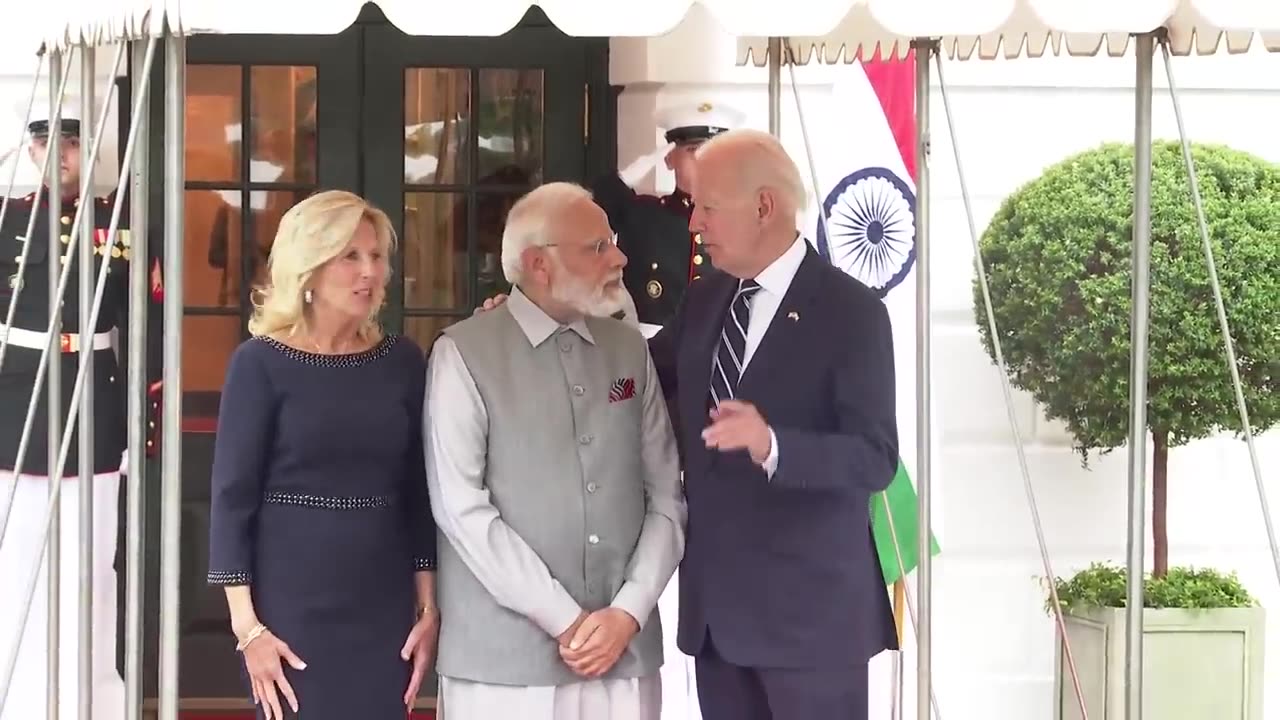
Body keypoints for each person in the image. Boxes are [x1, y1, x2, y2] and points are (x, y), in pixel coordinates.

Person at [649, 128, 900, 719]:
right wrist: (540, 321)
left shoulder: (851, 313)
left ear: (763, 206)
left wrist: (773, 445)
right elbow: (639, 376)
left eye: (707, 207)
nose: (694, 225)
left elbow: (874, 458)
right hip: (718, 619)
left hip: (809, 625)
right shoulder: (706, 299)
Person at [425, 181, 686, 719]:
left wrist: (629, 612)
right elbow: (461, 510)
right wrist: (566, 620)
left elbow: (666, 496)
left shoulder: (629, 348)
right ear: (538, 264)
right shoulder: (463, 353)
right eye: (597, 247)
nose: (619, 257)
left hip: (624, 652)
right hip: (502, 664)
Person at [206, 190, 439, 720]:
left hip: (383, 604)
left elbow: (418, 493)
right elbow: (231, 501)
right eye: (350, 256)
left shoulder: (401, 362)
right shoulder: (259, 364)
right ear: (307, 270)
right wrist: (249, 631)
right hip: (290, 605)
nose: (370, 272)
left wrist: (428, 607)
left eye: (377, 256)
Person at [0, 95, 161, 720]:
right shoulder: (5, 218)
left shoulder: (122, 221)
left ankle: (90, 701)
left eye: (71, 142)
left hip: (93, 401)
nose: (60, 154)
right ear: (33, 148)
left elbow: (149, 328)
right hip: (13, 407)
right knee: (15, 567)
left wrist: (140, 420)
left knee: (92, 570)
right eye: (47, 142)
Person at [591, 100, 745, 329]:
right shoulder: (642, 214)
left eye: (715, 152)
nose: (705, 161)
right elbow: (587, 218)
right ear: (669, 158)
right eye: (693, 151)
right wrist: (630, 174)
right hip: (650, 352)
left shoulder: (743, 223)